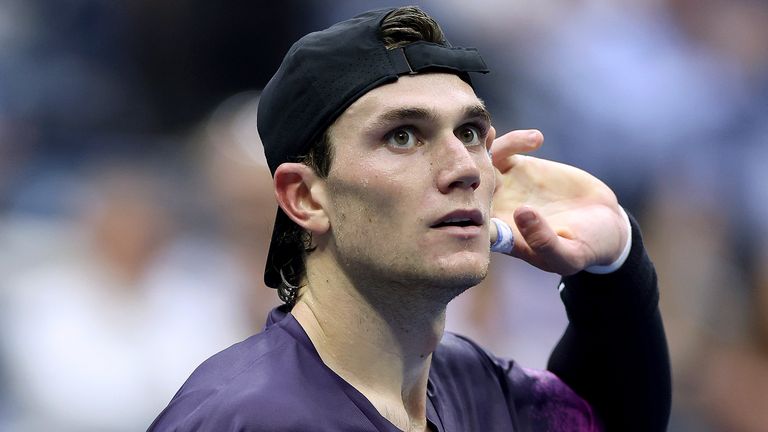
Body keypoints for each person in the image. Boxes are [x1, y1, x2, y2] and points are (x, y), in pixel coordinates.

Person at [149, 6, 670, 431]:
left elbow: (609, 419)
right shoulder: (242, 417)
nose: (464, 168)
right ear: (305, 197)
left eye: (469, 132)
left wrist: (614, 265)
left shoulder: (471, 382)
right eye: (402, 135)